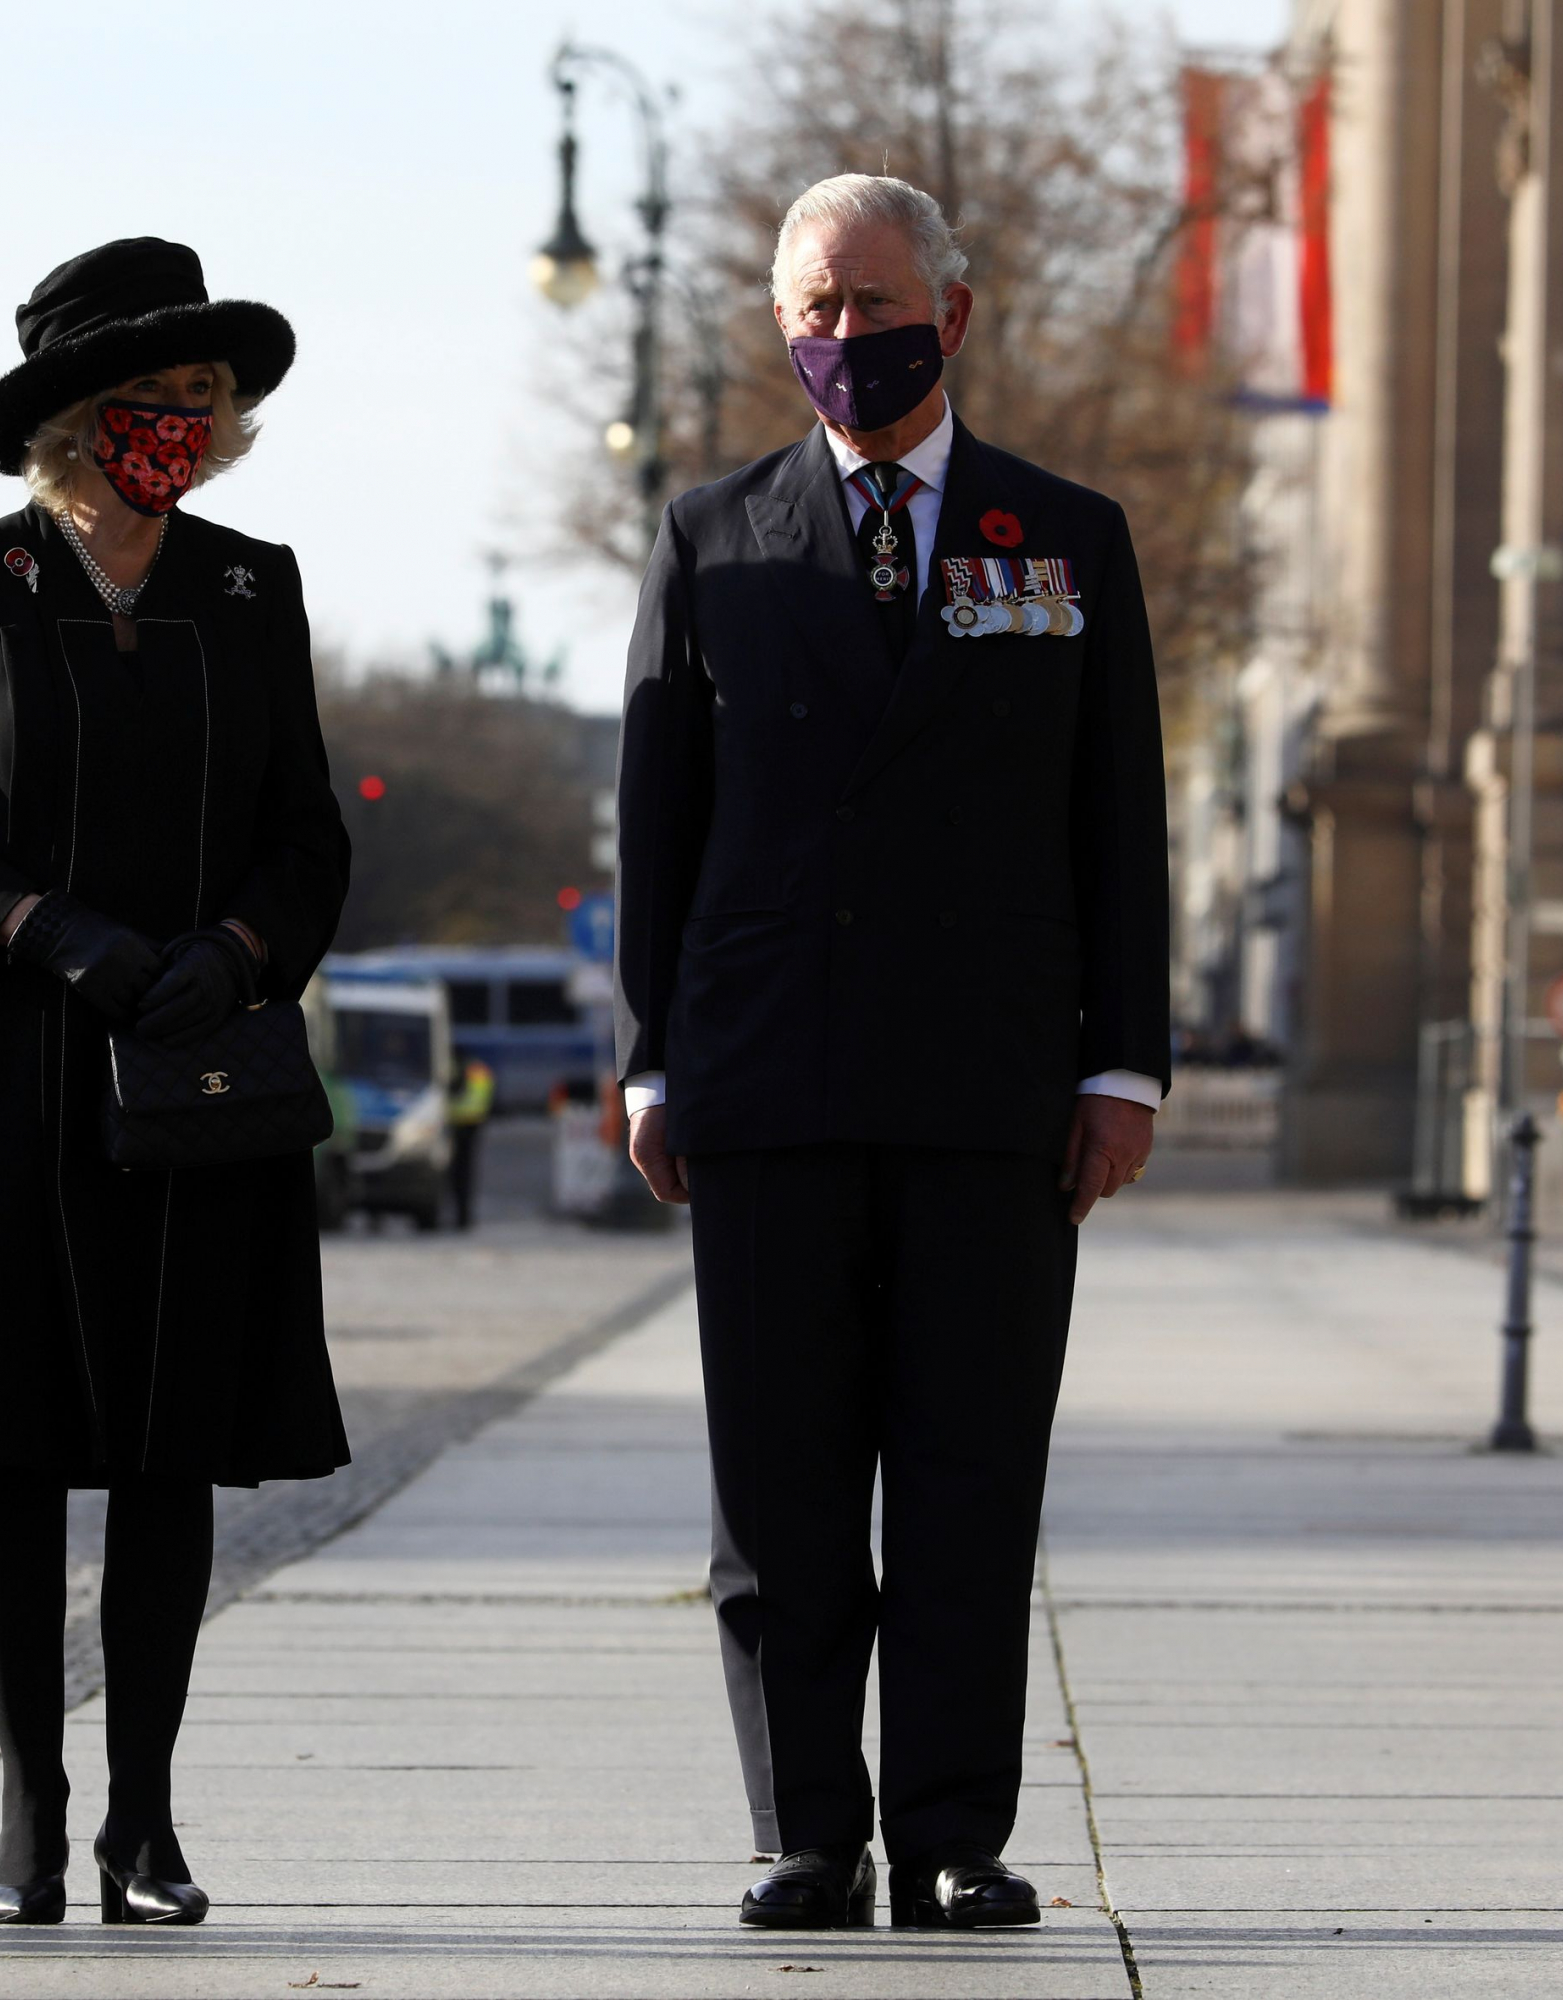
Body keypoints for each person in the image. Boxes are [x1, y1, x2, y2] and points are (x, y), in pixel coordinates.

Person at [614, 175, 1169, 1932]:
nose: (837, 338)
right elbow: (659, 830)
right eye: (809, 308)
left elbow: (1115, 825)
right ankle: (802, 1826)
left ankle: (948, 1831)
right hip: (766, 1082)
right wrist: (649, 1063)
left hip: (989, 1090)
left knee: (963, 1478)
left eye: (866, 302)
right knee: (778, 1492)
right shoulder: (713, 538)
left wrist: (1121, 1066)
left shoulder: (1061, 535)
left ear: (954, 308)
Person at [0, 237, 351, 1931]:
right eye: (145, 400)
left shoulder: (251, 590)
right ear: (72, 421)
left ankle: (147, 1824)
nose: (177, 425)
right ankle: (31, 1813)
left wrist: (239, 953)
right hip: (4, 1062)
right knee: (16, 1446)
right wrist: (43, 929)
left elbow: (308, 832)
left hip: (191, 1076)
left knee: (170, 1449)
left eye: (201, 398)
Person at [446, 1054, 496, 1229]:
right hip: (474, 1125)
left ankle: (460, 1217)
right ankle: (464, 1217)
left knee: (456, 1174)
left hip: (456, 1125)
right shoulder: (481, 1071)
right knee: (466, 1174)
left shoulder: (452, 1069)